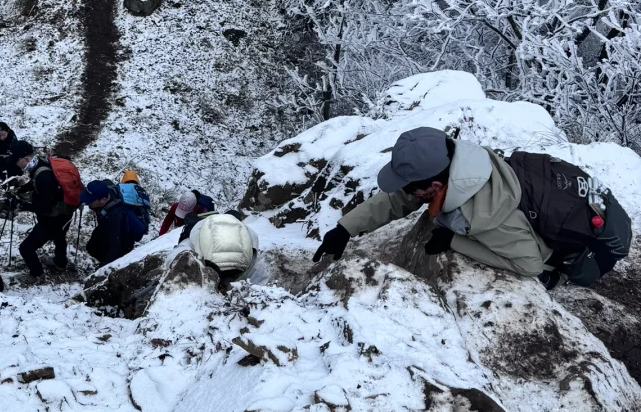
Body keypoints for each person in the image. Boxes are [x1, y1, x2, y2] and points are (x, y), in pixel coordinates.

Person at [313, 126, 551, 280]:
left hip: (546, 251)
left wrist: (454, 240)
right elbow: (400, 198)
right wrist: (345, 229)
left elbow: (530, 265)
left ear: (435, 187)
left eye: (409, 187)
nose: (405, 192)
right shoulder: (458, 162)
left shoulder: (482, 216)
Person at [13, 143, 76, 280]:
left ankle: (37, 274)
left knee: (26, 248)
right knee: (59, 237)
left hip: (52, 219)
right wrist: (20, 190)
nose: (16, 164)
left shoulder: (44, 176)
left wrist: (24, 206)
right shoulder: (41, 164)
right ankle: (60, 263)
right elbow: (36, 182)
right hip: (64, 212)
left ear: (25, 159)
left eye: (16, 161)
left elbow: (45, 207)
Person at [80, 180, 144, 267]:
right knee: (92, 246)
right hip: (110, 226)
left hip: (123, 240)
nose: (87, 203)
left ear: (103, 200)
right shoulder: (107, 189)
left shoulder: (113, 217)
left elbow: (115, 246)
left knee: (107, 251)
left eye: (90, 201)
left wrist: (105, 268)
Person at [189, 213, 258, 286]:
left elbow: (194, 240)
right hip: (241, 264)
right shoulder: (241, 226)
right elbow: (254, 239)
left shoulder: (203, 224)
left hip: (213, 264)